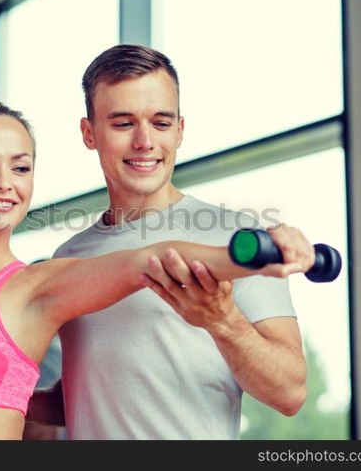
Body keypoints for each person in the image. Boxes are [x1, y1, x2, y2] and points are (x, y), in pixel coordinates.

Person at [0, 100, 314, 440]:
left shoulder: (35, 286)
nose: (5, 182)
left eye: (21, 168)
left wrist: (257, 251)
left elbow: (149, 258)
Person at [27, 45, 310, 440]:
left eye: (161, 123)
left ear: (180, 130)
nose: (145, 141)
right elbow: (89, 396)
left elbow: (290, 392)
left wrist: (223, 321)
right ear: (89, 133)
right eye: (123, 124)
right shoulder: (70, 257)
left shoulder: (237, 240)